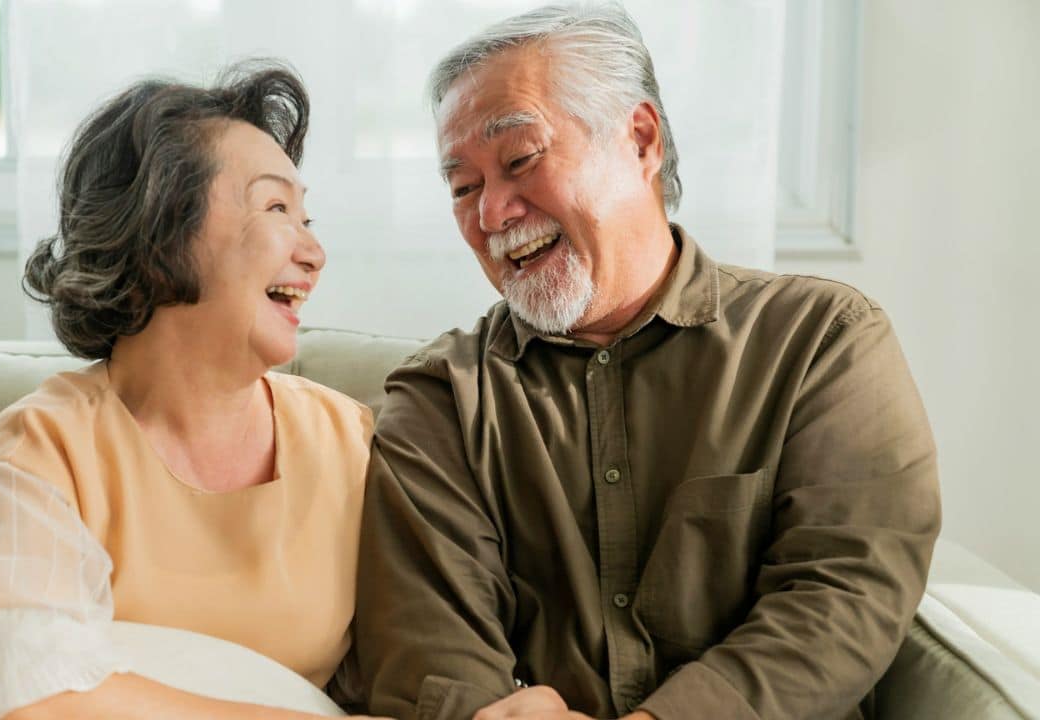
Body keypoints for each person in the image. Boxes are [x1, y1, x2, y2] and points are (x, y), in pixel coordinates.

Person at [351, 4, 940, 719]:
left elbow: (846, 595)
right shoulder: (442, 397)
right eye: (463, 187)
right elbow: (427, 646)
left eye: (519, 160)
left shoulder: (821, 341)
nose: (492, 213)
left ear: (639, 140)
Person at [0, 62, 383, 720]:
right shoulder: (52, 443)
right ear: (164, 227)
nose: (314, 253)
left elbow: (432, 660)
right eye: (278, 208)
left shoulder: (350, 442)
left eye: (309, 219)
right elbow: (27, 692)